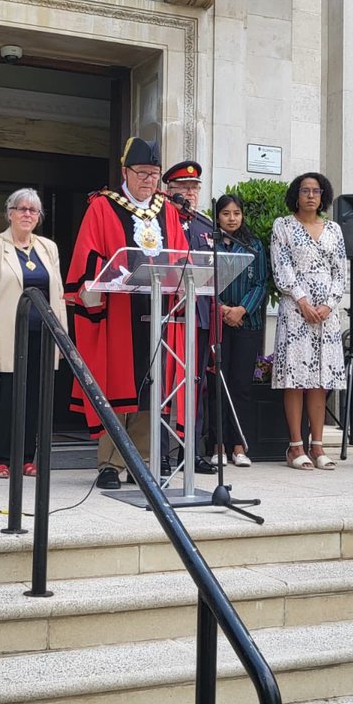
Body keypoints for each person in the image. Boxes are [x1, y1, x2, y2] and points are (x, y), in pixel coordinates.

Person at [65, 137, 189, 490]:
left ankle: (141, 462)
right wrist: (108, 276)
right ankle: (110, 463)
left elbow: (181, 255)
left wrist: (181, 279)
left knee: (152, 386)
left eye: (154, 174)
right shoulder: (103, 206)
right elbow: (88, 254)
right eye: (142, 173)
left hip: (158, 308)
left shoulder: (168, 209)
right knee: (115, 384)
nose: (149, 180)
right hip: (119, 310)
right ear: (125, 172)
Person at [0, 188, 67, 478]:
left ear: (39, 217)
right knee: (8, 399)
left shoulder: (48, 247)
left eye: (33, 210)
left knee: (35, 398)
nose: (27, 214)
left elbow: (58, 294)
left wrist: (62, 336)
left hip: (43, 335)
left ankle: (26, 458)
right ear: (9, 213)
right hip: (6, 337)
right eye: (21, 209)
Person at [270, 172, 347, 470]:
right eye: (305, 190)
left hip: (326, 314)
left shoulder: (334, 229)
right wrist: (302, 301)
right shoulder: (283, 226)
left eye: (316, 191)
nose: (311, 196)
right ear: (297, 195)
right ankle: (295, 446)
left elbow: (340, 271)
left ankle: (318, 445)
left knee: (320, 380)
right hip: (295, 310)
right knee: (296, 378)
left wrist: (328, 304)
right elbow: (281, 267)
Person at [163, 159, 215, 477]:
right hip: (167, 315)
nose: (190, 193)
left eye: (194, 187)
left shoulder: (205, 224)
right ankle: (160, 454)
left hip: (199, 316)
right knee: (163, 387)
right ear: (169, 190)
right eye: (183, 187)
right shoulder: (159, 219)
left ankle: (191, 452)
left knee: (195, 387)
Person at [211, 194, 267, 467]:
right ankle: (218, 445)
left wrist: (241, 310)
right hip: (217, 323)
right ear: (217, 217)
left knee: (241, 386)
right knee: (217, 385)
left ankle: (239, 445)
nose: (232, 218)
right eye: (226, 214)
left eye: (236, 213)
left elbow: (261, 283)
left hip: (247, 323)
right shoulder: (209, 242)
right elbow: (204, 280)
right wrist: (222, 309)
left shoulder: (253, 244)